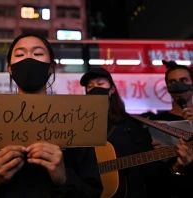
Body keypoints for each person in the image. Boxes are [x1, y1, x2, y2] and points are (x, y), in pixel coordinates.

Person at [0, 33, 103, 198]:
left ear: (51, 67)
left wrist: (64, 178)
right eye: (20, 54)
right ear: (10, 68)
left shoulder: (76, 120)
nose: (29, 60)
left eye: (38, 54)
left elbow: (94, 191)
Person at [80, 66, 193, 198]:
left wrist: (174, 168)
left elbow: (149, 169)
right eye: (90, 86)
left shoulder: (133, 124)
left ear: (112, 89)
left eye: (100, 83)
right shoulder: (79, 124)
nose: (95, 88)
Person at [150, 60, 193, 198]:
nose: (178, 85)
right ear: (167, 87)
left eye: (183, 80)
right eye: (172, 82)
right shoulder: (157, 122)